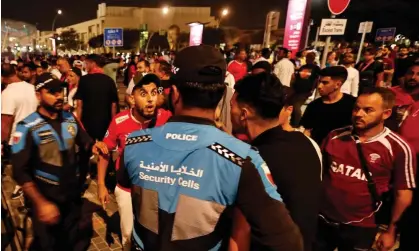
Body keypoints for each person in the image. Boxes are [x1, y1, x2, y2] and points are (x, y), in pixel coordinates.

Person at [117, 45, 302, 250]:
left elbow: (129, 192)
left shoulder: (134, 143)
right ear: (223, 95)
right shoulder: (242, 160)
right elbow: (288, 241)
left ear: (175, 93)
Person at [316, 87, 416, 251]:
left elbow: (403, 193)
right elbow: (319, 174)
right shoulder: (335, 136)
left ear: (386, 114)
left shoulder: (398, 148)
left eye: (368, 110)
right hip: (322, 220)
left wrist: (391, 231)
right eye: (356, 108)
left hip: (362, 227)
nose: (358, 114)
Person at [230, 73, 322, 251]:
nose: (229, 110)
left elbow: (242, 232)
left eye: (231, 105)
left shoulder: (252, 160)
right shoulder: (305, 143)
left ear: (243, 114)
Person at [11, 73, 94, 251]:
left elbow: (86, 143)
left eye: (60, 91)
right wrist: (41, 203)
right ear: (38, 95)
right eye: (52, 92)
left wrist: (97, 147)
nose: (58, 96)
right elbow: (19, 171)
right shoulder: (26, 127)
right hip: (46, 200)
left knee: (73, 243)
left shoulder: (69, 119)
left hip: (72, 199)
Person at [93, 74, 172, 250]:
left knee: (155, 235)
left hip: (156, 190)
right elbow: (105, 151)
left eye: (153, 92)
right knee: (128, 235)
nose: (150, 99)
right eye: (143, 94)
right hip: (126, 188)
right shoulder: (119, 121)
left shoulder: (166, 118)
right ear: (131, 98)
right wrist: (100, 184)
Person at [74, 54, 119, 181]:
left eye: (86, 64)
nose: (85, 66)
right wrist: (113, 123)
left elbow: (79, 104)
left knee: (85, 152)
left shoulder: (84, 80)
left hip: (87, 122)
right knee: (106, 150)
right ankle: (108, 178)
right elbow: (114, 105)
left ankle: (82, 179)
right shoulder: (109, 80)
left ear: (93, 63)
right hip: (105, 122)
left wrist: (78, 122)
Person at [389, 63, 419, 251]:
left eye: (418, 74)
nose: (413, 77)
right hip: (390, 160)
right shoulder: (392, 94)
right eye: (411, 72)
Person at [1, 63, 38, 199]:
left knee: (20, 171)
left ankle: (26, 192)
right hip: (35, 133)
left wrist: (1, 143)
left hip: (17, 138)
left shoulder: (7, 93)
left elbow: (5, 122)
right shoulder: (31, 88)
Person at [301, 66, 356, 145]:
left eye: (325, 83)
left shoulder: (352, 104)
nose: (319, 86)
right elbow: (307, 131)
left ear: (337, 84)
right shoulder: (314, 105)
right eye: (319, 82)